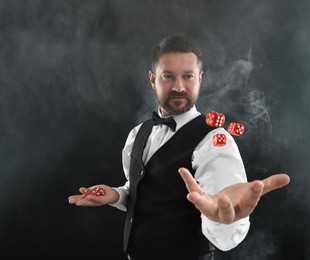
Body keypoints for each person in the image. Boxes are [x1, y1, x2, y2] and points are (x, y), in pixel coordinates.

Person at [68, 35, 290, 260]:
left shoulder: (214, 140)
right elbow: (145, 192)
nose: (178, 87)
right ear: (152, 79)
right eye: (168, 76)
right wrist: (116, 195)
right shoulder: (138, 134)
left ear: (200, 79)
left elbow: (223, 212)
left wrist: (225, 219)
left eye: (188, 76)